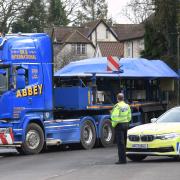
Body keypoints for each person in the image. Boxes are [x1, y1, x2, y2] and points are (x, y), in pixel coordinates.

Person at [111, 93, 131, 164]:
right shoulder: (127, 105)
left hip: (119, 125)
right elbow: (129, 116)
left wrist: (113, 125)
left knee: (120, 143)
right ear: (123, 98)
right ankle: (124, 159)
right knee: (124, 142)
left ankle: (122, 160)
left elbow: (114, 117)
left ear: (117, 98)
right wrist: (126, 122)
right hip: (126, 124)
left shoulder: (117, 106)